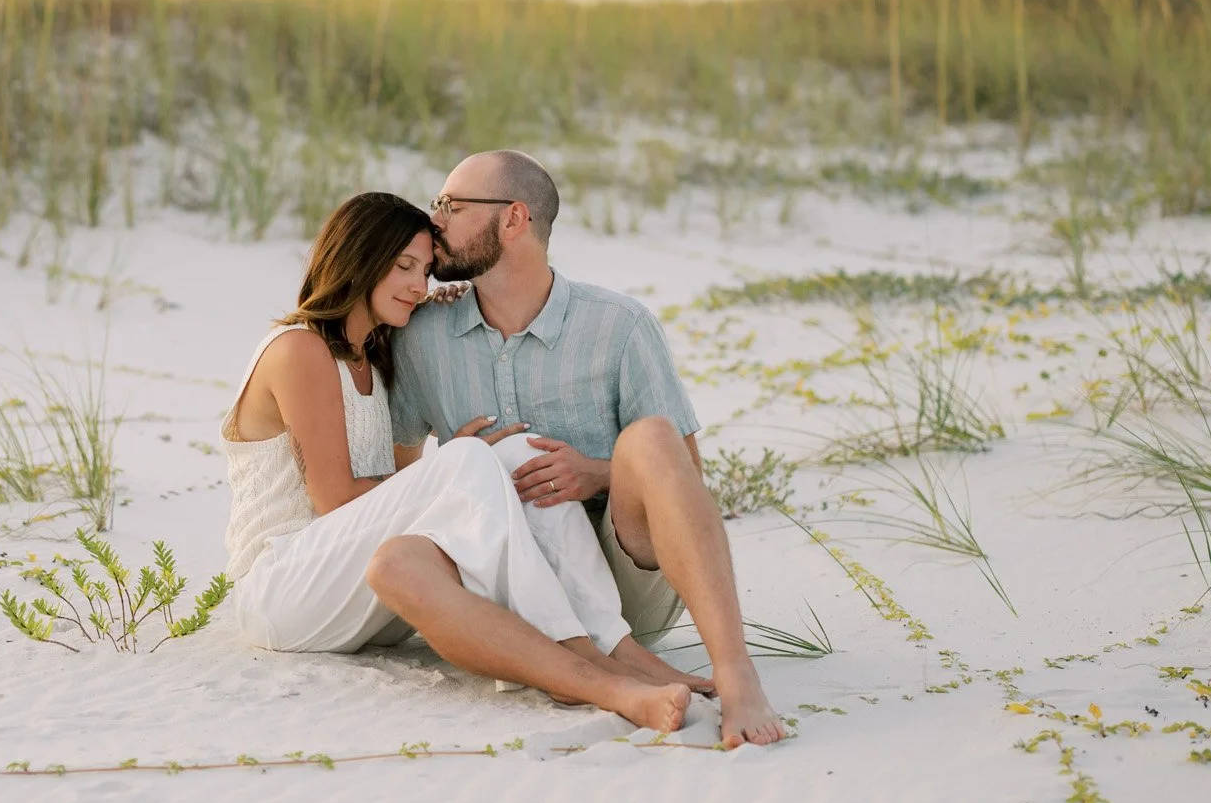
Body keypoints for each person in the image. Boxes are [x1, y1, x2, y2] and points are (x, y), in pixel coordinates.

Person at [221, 191, 693, 733]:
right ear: (356, 259)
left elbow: (390, 502)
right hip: (285, 592)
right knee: (473, 458)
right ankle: (584, 655)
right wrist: (457, 468)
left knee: (517, 452)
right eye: (402, 267)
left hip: (359, 592)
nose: (420, 286)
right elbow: (335, 502)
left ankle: (616, 642)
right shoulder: (298, 351)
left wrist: (469, 469)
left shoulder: (374, 358)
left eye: (426, 271)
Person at [389, 151, 787, 748]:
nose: (434, 218)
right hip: (503, 589)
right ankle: (599, 671)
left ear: (513, 220)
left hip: (626, 583)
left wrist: (595, 475)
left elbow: (686, 478)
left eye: (453, 204)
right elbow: (399, 479)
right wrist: (456, 468)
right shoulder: (422, 334)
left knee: (651, 438)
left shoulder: (619, 326)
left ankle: (734, 671)